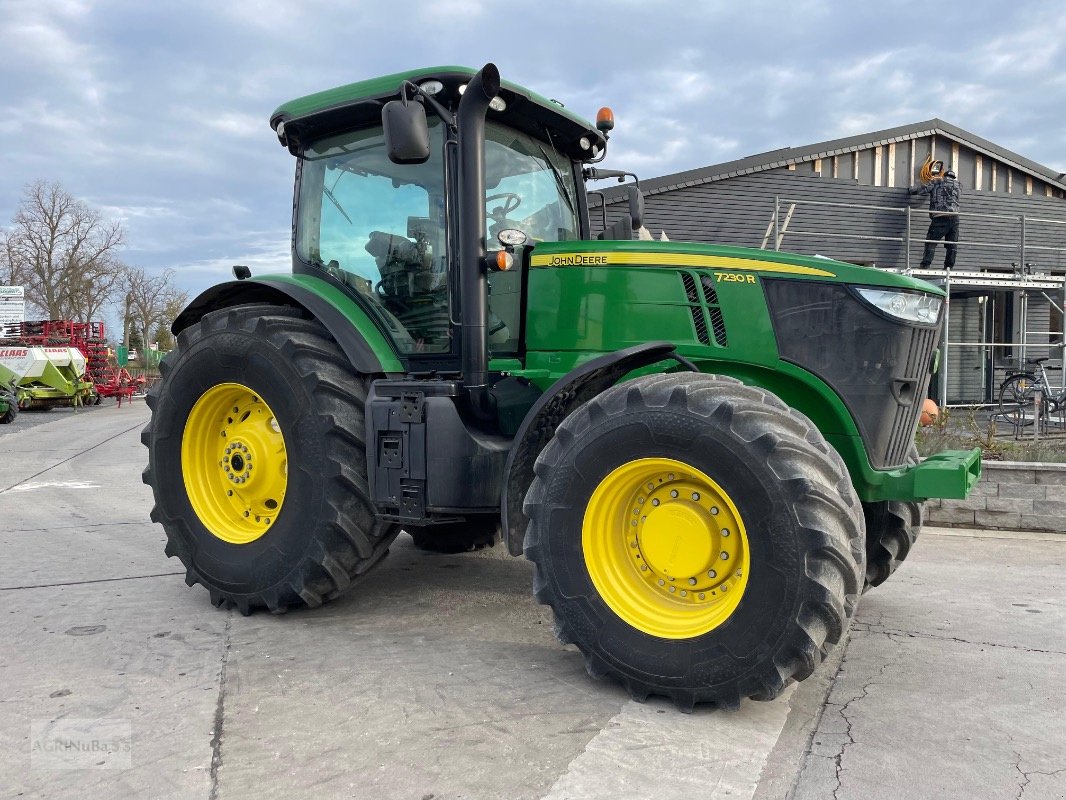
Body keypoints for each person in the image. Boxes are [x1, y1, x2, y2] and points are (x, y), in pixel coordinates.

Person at [910, 169, 961, 269]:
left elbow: (920, 190)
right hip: (955, 218)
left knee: (931, 241)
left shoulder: (937, 182)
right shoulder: (958, 185)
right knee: (952, 244)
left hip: (940, 217)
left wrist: (909, 190)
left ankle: (925, 264)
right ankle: (949, 266)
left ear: (944, 175)